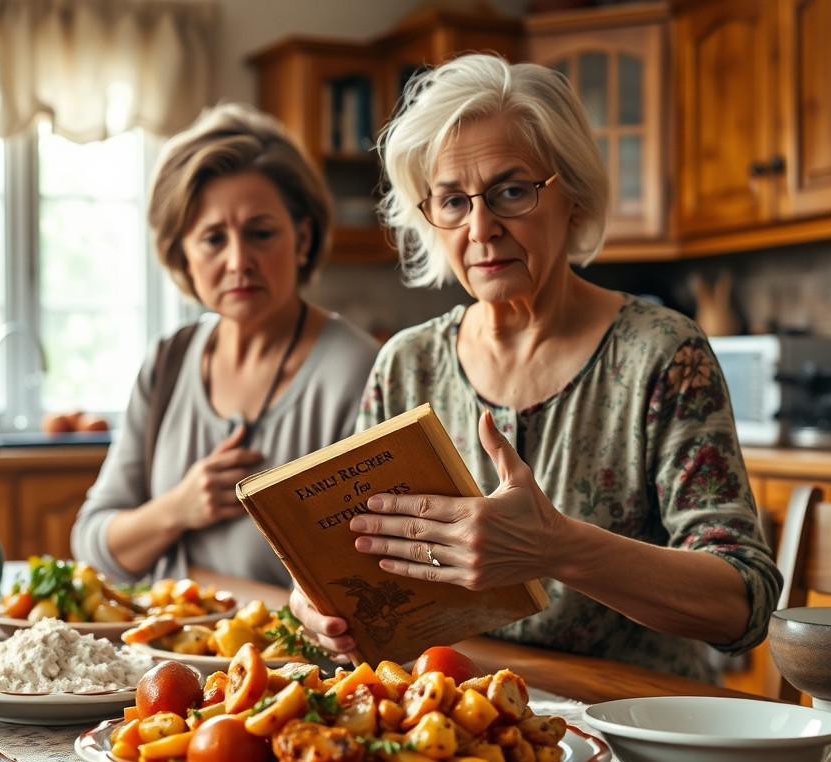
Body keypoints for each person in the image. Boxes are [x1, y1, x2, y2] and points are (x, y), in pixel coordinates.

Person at [290, 54, 781, 683]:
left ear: (572, 197)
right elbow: (353, 554)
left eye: (512, 191)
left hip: (632, 718)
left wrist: (556, 547)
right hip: (452, 713)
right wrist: (321, 599)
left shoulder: (663, 353)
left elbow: (743, 603)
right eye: (452, 201)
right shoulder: (405, 364)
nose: (481, 227)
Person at [71, 103, 380, 589]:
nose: (239, 261)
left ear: (302, 238)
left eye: (260, 234)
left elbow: (371, 574)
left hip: (288, 663)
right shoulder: (168, 361)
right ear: (183, 256)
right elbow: (94, 544)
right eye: (213, 239)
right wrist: (178, 507)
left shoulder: (359, 372)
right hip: (161, 659)